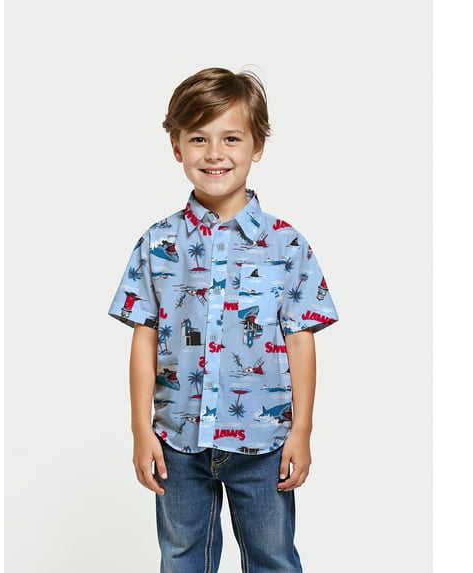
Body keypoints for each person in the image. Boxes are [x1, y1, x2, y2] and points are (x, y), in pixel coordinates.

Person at [108, 67, 339, 573]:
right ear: (176, 147)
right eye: (198, 138)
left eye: (231, 138)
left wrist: (301, 430)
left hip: (263, 441)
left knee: (273, 558)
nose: (215, 153)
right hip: (177, 441)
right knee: (181, 559)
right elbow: (145, 336)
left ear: (257, 146)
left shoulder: (287, 245)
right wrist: (140, 429)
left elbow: (300, 340)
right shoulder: (157, 243)